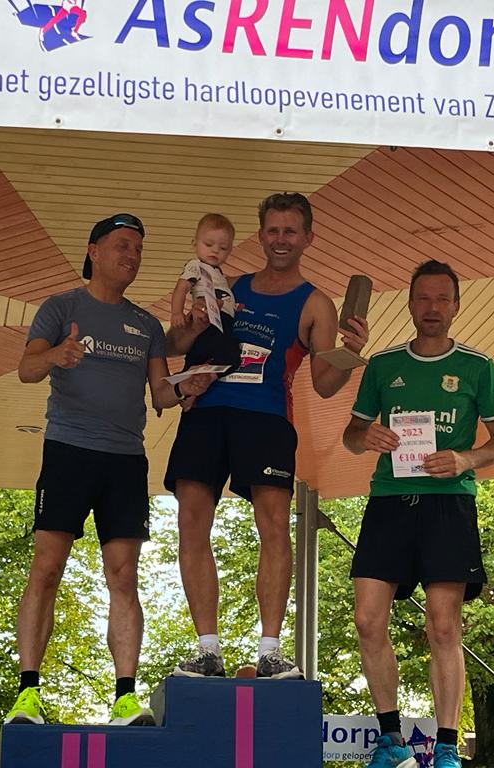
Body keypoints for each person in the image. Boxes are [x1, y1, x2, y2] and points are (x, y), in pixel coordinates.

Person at [5, 213, 214, 727]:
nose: (132, 256)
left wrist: (188, 385)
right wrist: (57, 354)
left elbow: (161, 393)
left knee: (123, 575)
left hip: (125, 461)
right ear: (93, 251)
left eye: (138, 249)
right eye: (122, 245)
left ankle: (125, 697)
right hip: (68, 451)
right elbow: (27, 369)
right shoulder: (60, 308)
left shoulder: (146, 326)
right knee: (47, 568)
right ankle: (28, 694)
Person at [164, 192, 369, 680]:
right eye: (272, 230)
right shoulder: (227, 284)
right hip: (207, 412)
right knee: (191, 520)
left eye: (290, 231)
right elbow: (179, 342)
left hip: (268, 417)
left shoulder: (316, 303)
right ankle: (207, 649)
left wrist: (351, 353)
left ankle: (271, 650)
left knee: (275, 524)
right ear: (259, 236)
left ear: (308, 238)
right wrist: (187, 340)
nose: (280, 240)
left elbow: (324, 384)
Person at [342, 260, 494, 768]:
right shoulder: (382, 365)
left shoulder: (478, 366)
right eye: (423, 298)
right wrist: (366, 436)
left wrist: (464, 459)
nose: (432, 308)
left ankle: (447, 746)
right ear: (410, 304)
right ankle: (390, 739)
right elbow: (351, 436)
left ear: (456, 306)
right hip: (388, 500)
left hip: (449, 503)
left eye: (442, 299)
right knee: (367, 619)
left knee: (443, 626)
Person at [169, 213, 242, 406]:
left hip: (224, 321)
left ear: (230, 251)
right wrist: (176, 312)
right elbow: (181, 288)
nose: (215, 250)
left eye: (223, 248)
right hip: (209, 319)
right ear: (195, 243)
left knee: (228, 358)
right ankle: (184, 386)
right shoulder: (196, 266)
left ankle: (194, 384)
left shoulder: (218, 273)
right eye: (208, 244)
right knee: (225, 356)